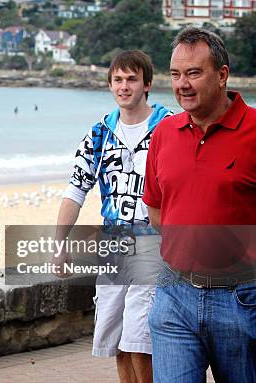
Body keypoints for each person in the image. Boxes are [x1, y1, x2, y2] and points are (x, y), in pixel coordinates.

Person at [143, 27, 255, 382]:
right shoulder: (163, 133)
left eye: (194, 72)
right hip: (174, 296)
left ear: (222, 75)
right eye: (175, 74)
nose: (182, 84)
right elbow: (156, 208)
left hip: (243, 299)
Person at [56, 50, 172, 383]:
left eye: (132, 79)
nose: (124, 86)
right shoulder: (98, 135)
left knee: (141, 338)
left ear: (146, 84)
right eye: (118, 80)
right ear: (109, 84)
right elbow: (75, 190)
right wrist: (59, 243)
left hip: (155, 244)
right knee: (118, 339)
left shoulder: (169, 127)